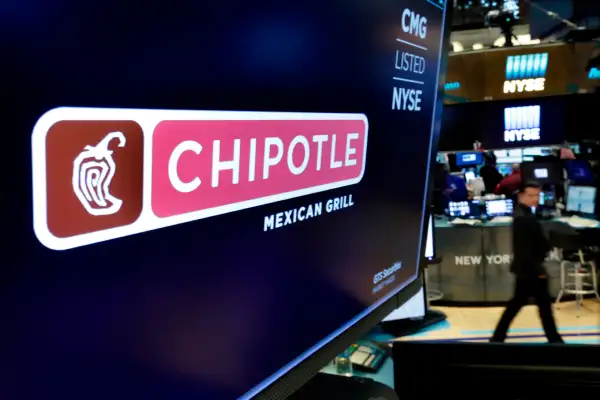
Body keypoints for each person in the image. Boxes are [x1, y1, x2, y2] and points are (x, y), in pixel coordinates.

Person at [490, 181, 563, 344]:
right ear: (521, 195)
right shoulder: (523, 218)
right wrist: (539, 271)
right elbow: (525, 249)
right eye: (531, 195)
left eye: (537, 195)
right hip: (530, 270)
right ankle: (555, 342)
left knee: (520, 305)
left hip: (526, 269)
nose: (535, 199)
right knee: (541, 308)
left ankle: (497, 339)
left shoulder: (525, 213)